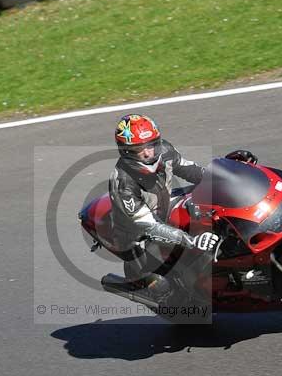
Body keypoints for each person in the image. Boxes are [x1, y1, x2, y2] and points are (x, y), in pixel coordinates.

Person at [108, 114, 256, 304]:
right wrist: (192, 241)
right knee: (163, 288)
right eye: (139, 149)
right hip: (138, 236)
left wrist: (229, 175)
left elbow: (192, 171)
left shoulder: (165, 151)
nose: (148, 153)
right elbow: (149, 227)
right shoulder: (123, 184)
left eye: (151, 145)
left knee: (212, 203)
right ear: (126, 152)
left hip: (163, 205)